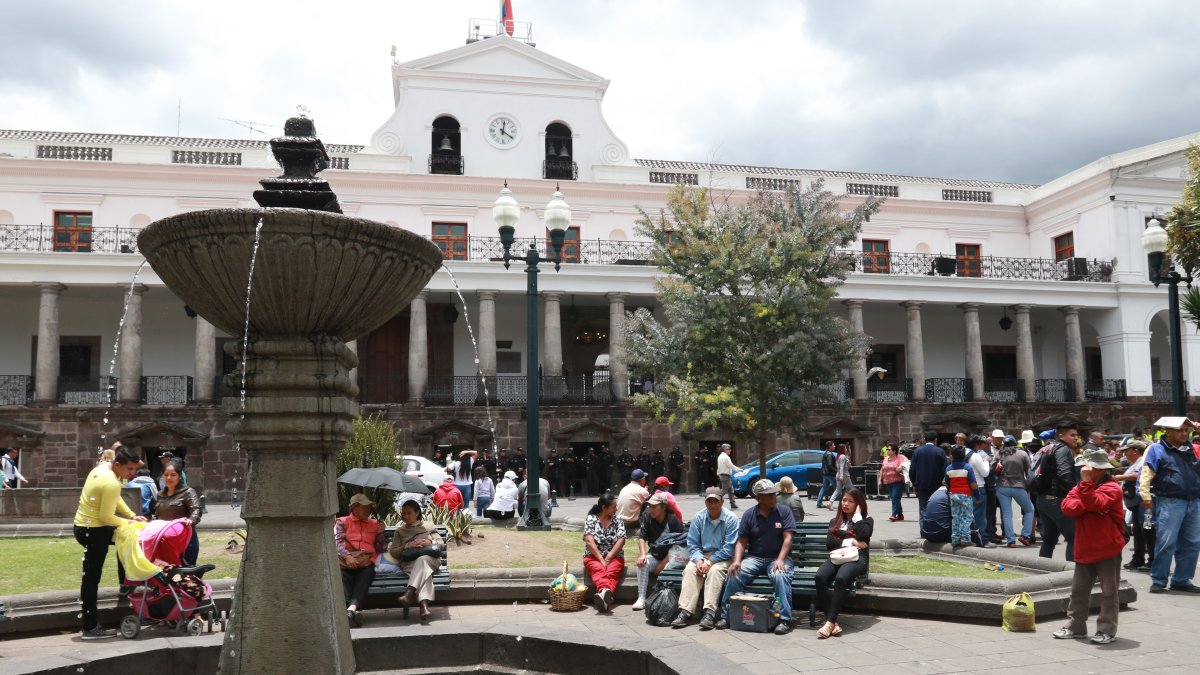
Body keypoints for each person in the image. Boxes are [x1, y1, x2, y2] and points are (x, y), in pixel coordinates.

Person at [73, 444, 146, 639]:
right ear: (118, 464)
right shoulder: (111, 482)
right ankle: (90, 627)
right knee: (91, 579)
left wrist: (132, 515)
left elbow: (115, 497)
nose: (132, 473)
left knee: (127, 539)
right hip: (94, 530)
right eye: (129, 469)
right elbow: (106, 516)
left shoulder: (101, 468)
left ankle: (126, 582)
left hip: (83, 527)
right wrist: (130, 521)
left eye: (134, 469)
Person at [1053, 447, 1125, 644]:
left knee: (1109, 592)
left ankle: (1106, 629)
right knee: (1078, 591)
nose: (1082, 470)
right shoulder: (1082, 487)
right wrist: (1086, 501)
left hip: (1107, 548)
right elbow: (1067, 507)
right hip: (1085, 547)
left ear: (1100, 469)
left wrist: (1085, 493)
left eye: (1087, 467)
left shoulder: (1112, 488)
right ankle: (1075, 626)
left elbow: (1095, 503)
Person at [715, 478, 796, 635]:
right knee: (734, 574)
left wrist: (780, 559)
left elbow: (788, 538)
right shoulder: (749, 514)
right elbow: (741, 541)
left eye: (774, 494)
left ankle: (784, 619)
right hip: (755, 558)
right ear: (758, 498)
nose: (773, 497)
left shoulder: (784, 511)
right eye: (769, 495)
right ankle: (727, 615)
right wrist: (737, 560)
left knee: (780, 575)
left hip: (778, 557)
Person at [1139, 416, 1200, 593]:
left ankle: (1182, 580)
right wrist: (1145, 496)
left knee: (1191, 543)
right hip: (1169, 501)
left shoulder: (1191, 449)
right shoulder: (1156, 449)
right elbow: (1146, 472)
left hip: (1193, 501)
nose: (1184, 433)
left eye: (1186, 430)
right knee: (1166, 542)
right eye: (1180, 430)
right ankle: (1159, 580)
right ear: (1168, 432)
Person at [672, 487, 740, 630]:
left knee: (715, 571)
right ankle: (685, 611)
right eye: (709, 501)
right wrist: (699, 560)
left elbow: (729, 548)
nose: (712, 504)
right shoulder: (698, 517)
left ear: (722, 502)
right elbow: (693, 544)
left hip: (723, 557)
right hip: (702, 555)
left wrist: (710, 562)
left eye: (716, 501)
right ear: (705, 502)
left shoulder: (731, 519)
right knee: (690, 570)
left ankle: (709, 612)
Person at [814, 488, 873, 639]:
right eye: (844, 500)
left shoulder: (866, 520)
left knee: (841, 578)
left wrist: (857, 517)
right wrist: (851, 541)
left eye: (850, 501)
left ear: (858, 504)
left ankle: (829, 622)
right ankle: (832, 621)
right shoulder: (836, 521)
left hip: (857, 558)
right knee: (820, 576)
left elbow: (864, 535)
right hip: (837, 557)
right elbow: (829, 544)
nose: (845, 504)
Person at [387, 498, 444, 622]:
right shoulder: (400, 531)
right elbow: (394, 552)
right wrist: (407, 546)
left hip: (431, 560)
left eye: (409, 513)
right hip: (410, 563)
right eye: (403, 513)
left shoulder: (428, 526)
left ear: (417, 513)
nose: (405, 516)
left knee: (423, 560)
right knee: (424, 570)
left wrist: (430, 542)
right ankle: (423, 606)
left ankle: (409, 593)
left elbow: (441, 544)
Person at [335, 493, 387, 627]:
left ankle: (350, 611)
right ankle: (353, 611)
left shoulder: (375, 524)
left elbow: (382, 548)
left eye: (369, 507)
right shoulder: (342, 522)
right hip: (345, 561)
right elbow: (337, 542)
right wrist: (348, 557)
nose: (368, 510)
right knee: (340, 574)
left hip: (366, 562)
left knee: (368, 572)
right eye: (365, 507)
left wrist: (381, 534)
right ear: (354, 508)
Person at [632, 493, 684, 610]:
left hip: (671, 558)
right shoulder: (647, 516)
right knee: (642, 564)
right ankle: (641, 598)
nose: (651, 509)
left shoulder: (673, 520)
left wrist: (663, 564)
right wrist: (643, 555)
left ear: (663, 507)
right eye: (650, 506)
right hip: (655, 555)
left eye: (654, 506)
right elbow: (642, 537)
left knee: (667, 571)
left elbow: (677, 546)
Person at [1038, 424, 1081, 562]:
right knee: (1074, 537)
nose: (1076, 438)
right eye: (1072, 435)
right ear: (1061, 436)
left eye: (1077, 435)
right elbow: (1064, 473)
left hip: (1043, 499)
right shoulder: (1062, 449)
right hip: (1056, 499)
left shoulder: (1048, 447)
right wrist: (1075, 493)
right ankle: (1071, 572)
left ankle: (1042, 569)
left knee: (1049, 539)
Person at [1114, 441, 1154, 571]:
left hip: (1144, 503)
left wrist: (1120, 477)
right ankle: (1138, 559)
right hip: (1136, 505)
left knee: (1148, 531)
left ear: (1135, 451)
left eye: (1127, 450)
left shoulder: (1143, 461)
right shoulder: (1135, 463)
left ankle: (1153, 561)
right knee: (1138, 532)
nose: (1125, 453)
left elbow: (1138, 475)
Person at [583, 492, 626, 613]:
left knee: (612, 572)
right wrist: (601, 559)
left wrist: (608, 558)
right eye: (613, 506)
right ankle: (606, 596)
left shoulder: (618, 520)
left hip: (614, 556)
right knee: (598, 569)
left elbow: (621, 540)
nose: (616, 509)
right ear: (604, 508)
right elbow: (589, 541)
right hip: (593, 556)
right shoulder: (591, 519)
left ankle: (603, 596)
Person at [155, 459, 203, 565]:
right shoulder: (160, 494)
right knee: (167, 570)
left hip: (185, 540)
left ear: (180, 476)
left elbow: (196, 510)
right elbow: (157, 515)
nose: (169, 478)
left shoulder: (188, 492)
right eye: (166, 475)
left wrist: (191, 520)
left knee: (187, 571)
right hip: (165, 540)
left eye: (173, 475)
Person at [995, 437, 1035, 547]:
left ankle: (1010, 540)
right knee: (1030, 510)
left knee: (1007, 514)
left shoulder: (999, 453)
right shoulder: (1022, 454)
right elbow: (1029, 473)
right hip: (1018, 486)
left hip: (1002, 487)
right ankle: (1025, 535)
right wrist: (1028, 487)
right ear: (1015, 443)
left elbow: (991, 468)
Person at [945, 445, 978, 547]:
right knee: (966, 517)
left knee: (955, 517)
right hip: (965, 496)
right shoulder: (968, 467)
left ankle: (955, 539)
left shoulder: (949, 468)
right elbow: (973, 484)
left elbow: (947, 484)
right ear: (964, 456)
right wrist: (977, 496)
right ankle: (965, 539)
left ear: (952, 456)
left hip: (954, 495)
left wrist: (951, 491)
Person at [910, 431, 947, 520]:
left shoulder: (917, 451)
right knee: (936, 508)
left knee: (923, 509)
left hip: (921, 484)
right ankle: (934, 526)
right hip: (937, 485)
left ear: (924, 439)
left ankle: (924, 527)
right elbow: (944, 469)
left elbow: (912, 470)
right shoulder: (940, 451)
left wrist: (914, 483)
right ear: (935, 439)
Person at [965, 436, 993, 546]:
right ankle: (983, 540)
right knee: (980, 516)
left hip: (964, 487)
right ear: (976, 445)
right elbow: (985, 473)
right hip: (978, 487)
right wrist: (986, 461)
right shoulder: (975, 456)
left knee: (967, 515)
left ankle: (969, 538)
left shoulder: (961, 452)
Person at [617, 469, 651, 535]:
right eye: (644, 479)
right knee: (650, 509)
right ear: (642, 479)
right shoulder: (643, 491)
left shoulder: (624, 488)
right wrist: (646, 491)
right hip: (631, 523)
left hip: (620, 521)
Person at [880, 445, 909, 521]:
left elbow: (908, 463)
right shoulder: (885, 459)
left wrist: (901, 467)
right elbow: (882, 469)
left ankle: (894, 514)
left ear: (894, 451)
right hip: (888, 482)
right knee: (894, 498)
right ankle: (900, 514)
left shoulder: (900, 457)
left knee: (895, 498)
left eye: (889, 450)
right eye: (887, 450)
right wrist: (880, 480)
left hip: (898, 481)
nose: (887, 451)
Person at [828, 444, 853, 509]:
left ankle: (830, 502)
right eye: (845, 448)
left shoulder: (838, 456)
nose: (846, 449)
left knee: (838, 490)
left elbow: (839, 466)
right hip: (844, 475)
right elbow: (842, 466)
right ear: (843, 449)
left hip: (838, 474)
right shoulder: (843, 456)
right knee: (851, 489)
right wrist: (842, 475)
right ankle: (855, 502)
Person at [816, 441, 839, 508]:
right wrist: (836, 471)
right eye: (833, 445)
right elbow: (830, 465)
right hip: (830, 474)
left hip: (825, 474)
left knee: (824, 488)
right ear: (830, 446)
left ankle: (819, 503)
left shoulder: (826, 453)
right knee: (838, 488)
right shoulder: (829, 454)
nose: (834, 446)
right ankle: (840, 502)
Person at [716, 443, 738, 510]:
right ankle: (714, 501)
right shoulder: (726, 457)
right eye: (729, 449)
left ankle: (732, 503)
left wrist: (718, 474)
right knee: (724, 491)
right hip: (725, 476)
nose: (730, 450)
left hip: (724, 475)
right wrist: (739, 469)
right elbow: (731, 465)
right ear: (725, 449)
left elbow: (719, 467)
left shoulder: (720, 456)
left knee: (730, 490)